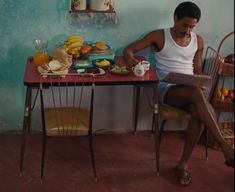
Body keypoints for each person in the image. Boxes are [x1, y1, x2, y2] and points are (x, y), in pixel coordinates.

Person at [123, 1, 234, 186]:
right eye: (184, 25)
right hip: (166, 90)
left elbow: (197, 70)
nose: (188, 31)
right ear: (175, 18)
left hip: (190, 91)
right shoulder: (160, 36)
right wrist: (134, 62)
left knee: (198, 107)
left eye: (192, 26)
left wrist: (201, 82)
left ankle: (182, 165)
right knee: (196, 95)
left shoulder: (198, 41)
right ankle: (225, 147)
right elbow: (129, 50)